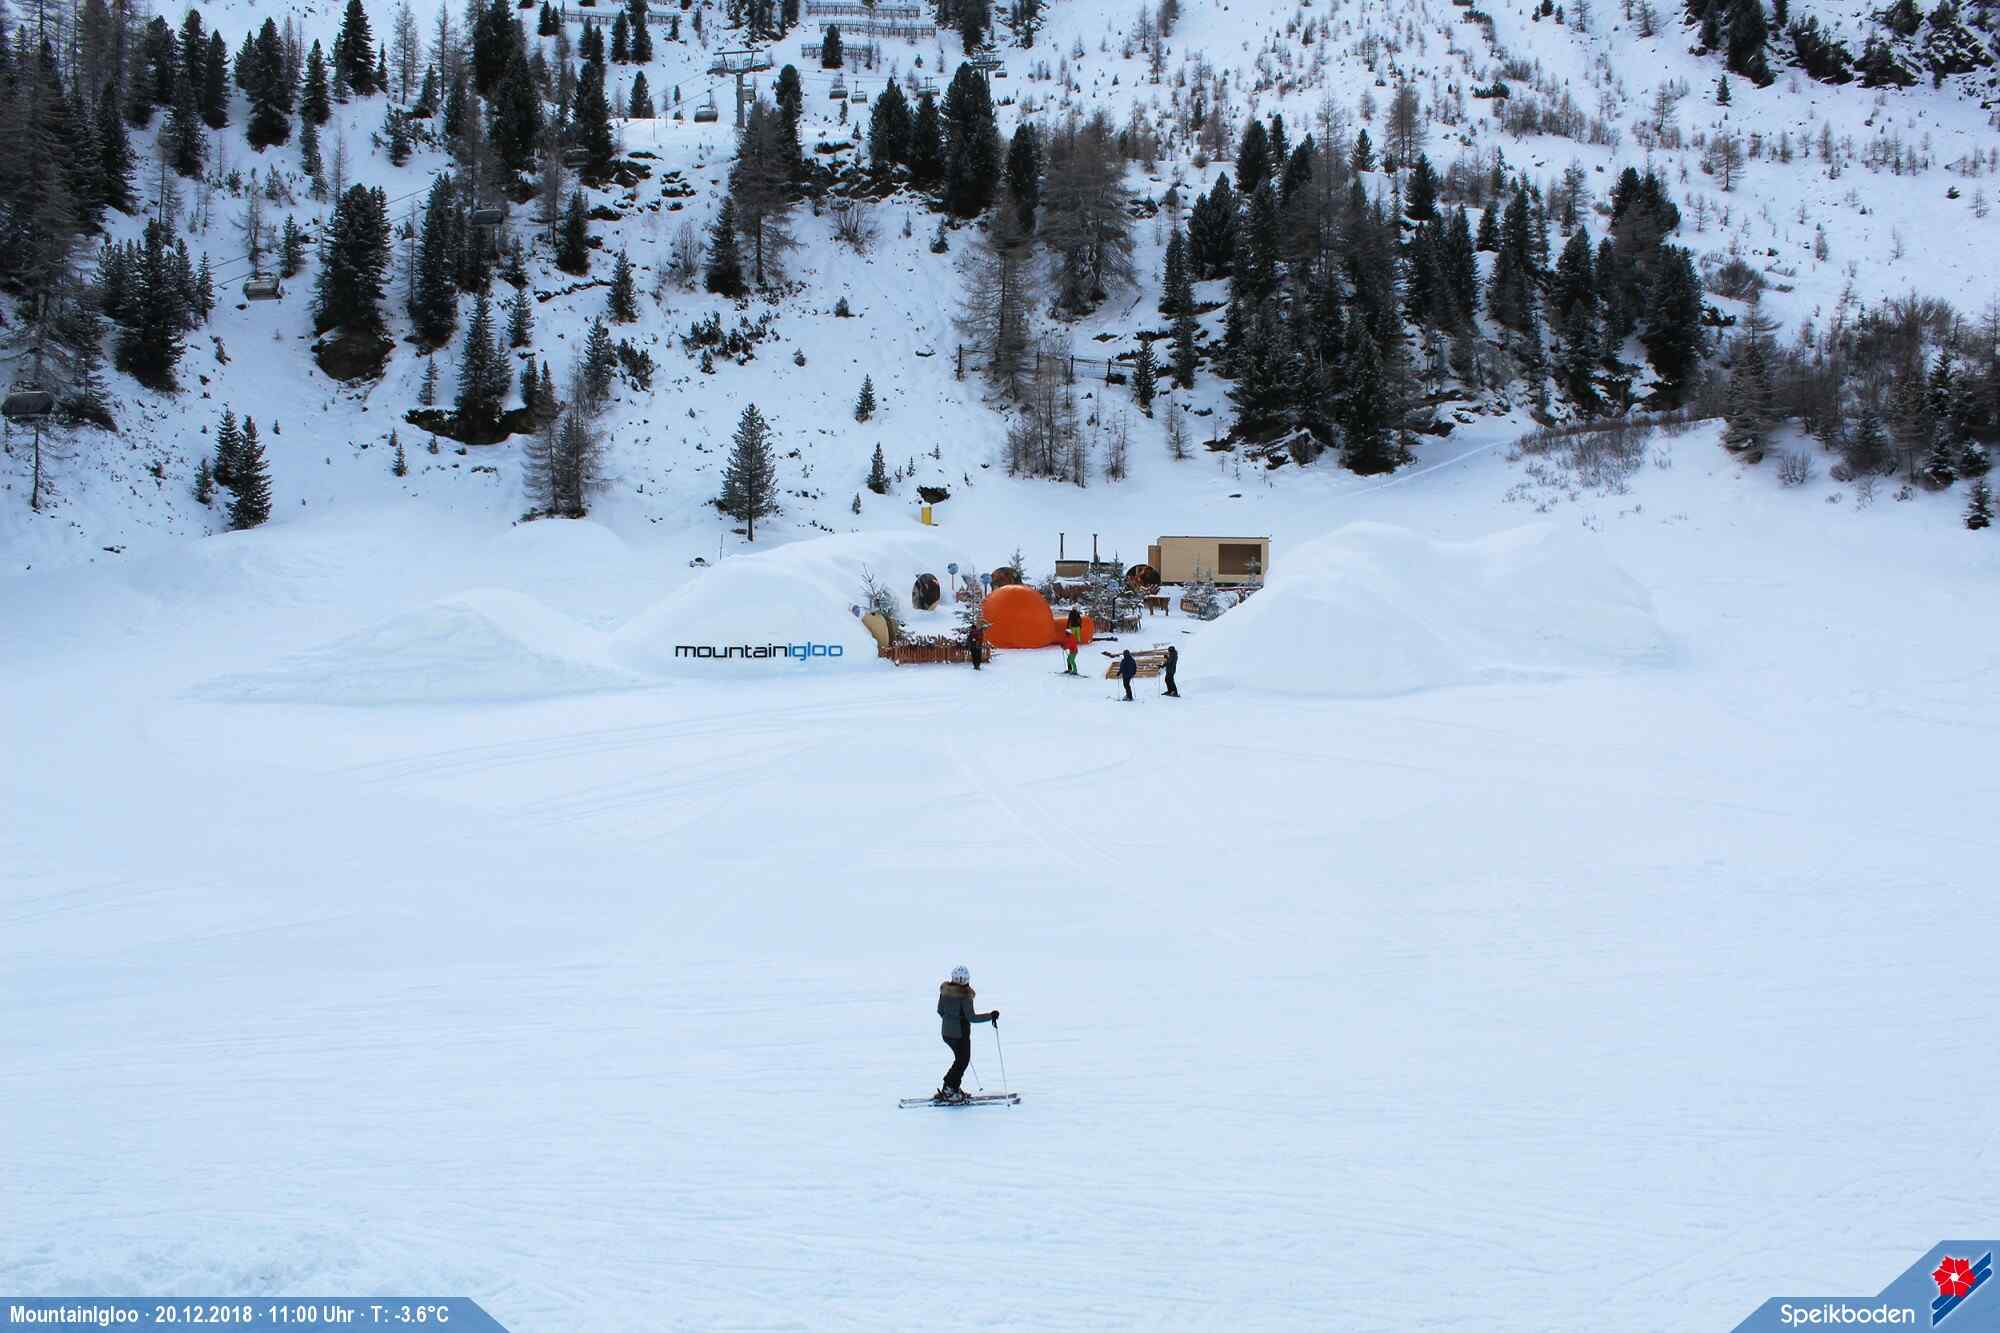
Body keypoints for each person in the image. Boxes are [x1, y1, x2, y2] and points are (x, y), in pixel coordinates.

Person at [936, 965, 998, 1102]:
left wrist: (950, 1021)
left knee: (960, 1060)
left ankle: (951, 1087)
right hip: (960, 1034)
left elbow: (940, 1011)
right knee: (962, 1061)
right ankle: (949, 1089)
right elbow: (971, 1017)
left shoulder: (945, 991)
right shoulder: (965, 995)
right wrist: (991, 1016)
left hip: (946, 1033)